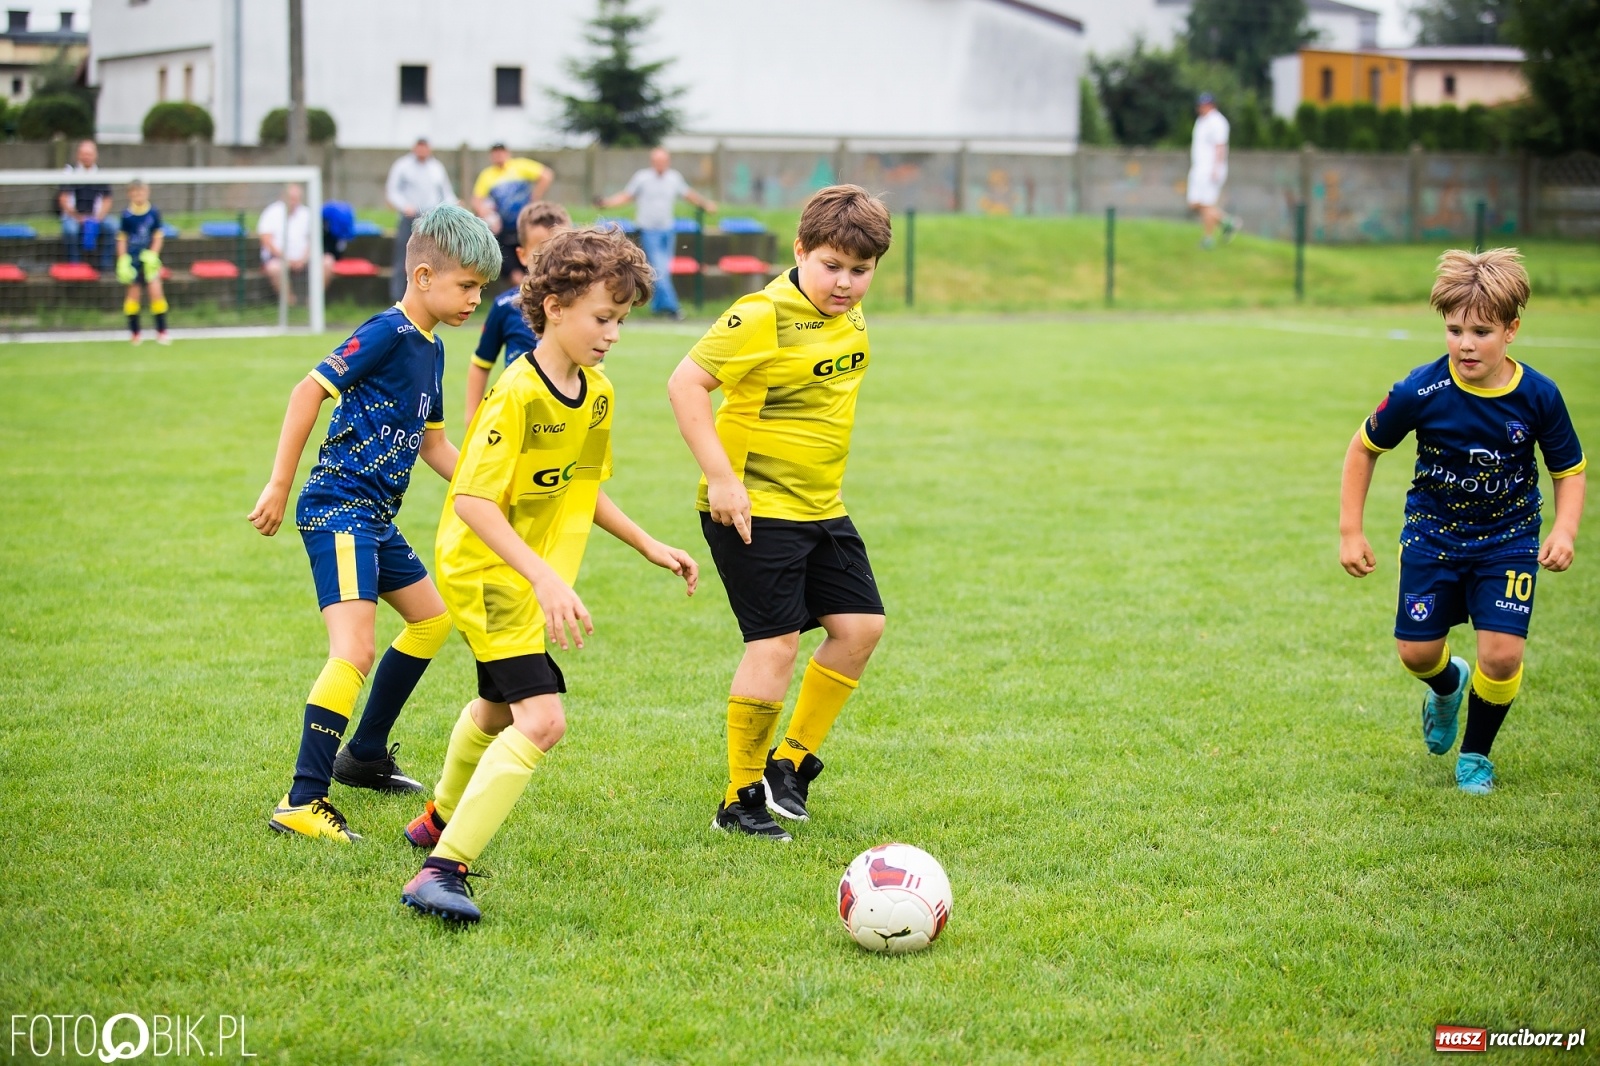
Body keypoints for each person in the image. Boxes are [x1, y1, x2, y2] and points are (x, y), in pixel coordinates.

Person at [400, 227, 698, 923]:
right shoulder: (516, 395)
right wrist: (542, 577)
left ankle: (435, 821)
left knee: (498, 709)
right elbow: (472, 501)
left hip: (523, 575)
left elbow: (582, 487)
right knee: (542, 720)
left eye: (620, 321)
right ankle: (439, 872)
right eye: (603, 318)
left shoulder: (597, 393)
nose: (613, 335)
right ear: (555, 307)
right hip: (488, 574)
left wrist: (646, 543)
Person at [247, 205, 502, 842]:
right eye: (467, 285)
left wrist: (491, 490)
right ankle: (302, 799)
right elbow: (308, 391)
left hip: (374, 517)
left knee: (431, 620)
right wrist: (278, 484)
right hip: (339, 507)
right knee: (354, 649)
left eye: (481, 288)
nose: (476, 299)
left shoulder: (432, 348)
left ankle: (362, 755)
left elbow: (433, 444)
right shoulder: (387, 332)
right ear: (423, 276)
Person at [666, 185, 892, 841]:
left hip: (821, 506)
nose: (845, 283)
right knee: (775, 644)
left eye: (860, 270)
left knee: (861, 627)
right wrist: (722, 479)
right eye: (831, 265)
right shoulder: (761, 314)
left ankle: (789, 764)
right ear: (799, 251)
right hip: (752, 506)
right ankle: (739, 802)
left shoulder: (850, 315)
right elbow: (685, 383)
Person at [1339, 248, 1586, 795]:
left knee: (1502, 655)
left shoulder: (1540, 396)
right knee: (1417, 653)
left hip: (1508, 540)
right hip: (1432, 537)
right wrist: (1350, 531)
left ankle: (1475, 756)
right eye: (1454, 330)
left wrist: (1564, 529)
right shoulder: (1419, 391)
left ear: (1511, 330)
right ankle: (1448, 686)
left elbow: (1568, 469)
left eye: (1481, 331)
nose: (1465, 344)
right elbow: (1363, 447)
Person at [465, 201, 571, 424]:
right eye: (541, 252)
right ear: (522, 255)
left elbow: (593, 373)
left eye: (560, 251)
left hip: (563, 422)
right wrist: (472, 419)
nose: (551, 262)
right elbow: (481, 363)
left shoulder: (578, 309)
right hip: (514, 420)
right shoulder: (505, 306)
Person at [596, 147, 718, 320]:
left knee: (663, 271)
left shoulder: (674, 178)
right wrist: (607, 203)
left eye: (663, 161)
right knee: (660, 270)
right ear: (652, 162)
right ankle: (673, 308)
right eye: (657, 161)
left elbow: (688, 195)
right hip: (649, 231)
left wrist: (705, 204)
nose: (660, 164)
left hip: (667, 231)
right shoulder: (642, 177)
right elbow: (627, 196)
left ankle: (658, 307)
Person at [472, 143, 554, 283]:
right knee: (512, 269)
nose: (499, 156)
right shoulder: (487, 175)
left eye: (501, 152)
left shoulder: (520, 166)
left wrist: (535, 197)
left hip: (524, 225)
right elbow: (476, 200)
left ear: (508, 153)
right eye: (495, 153)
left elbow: (546, 175)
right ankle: (522, 290)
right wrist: (486, 214)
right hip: (504, 230)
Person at [386, 137, 456, 301]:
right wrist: (404, 206)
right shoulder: (403, 166)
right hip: (410, 219)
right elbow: (392, 191)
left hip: (431, 221)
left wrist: (454, 205)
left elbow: (446, 193)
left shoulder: (436, 167)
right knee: (403, 259)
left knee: (432, 259)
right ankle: (398, 298)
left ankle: (428, 297)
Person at [258, 184, 334, 303]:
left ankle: (313, 302)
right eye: (291, 198)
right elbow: (266, 240)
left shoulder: (307, 214)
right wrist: (286, 258)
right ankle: (290, 303)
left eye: (296, 198)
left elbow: (313, 240)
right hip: (278, 258)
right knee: (274, 268)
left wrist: (303, 259)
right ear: (283, 197)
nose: (293, 202)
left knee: (327, 262)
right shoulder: (271, 213)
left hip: (304, 259)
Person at [115, 180, 169, 346]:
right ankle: (135, 334)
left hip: (149, 260)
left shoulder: (153, 213)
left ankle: (162, 332)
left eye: (141, 192)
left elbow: (158, 236)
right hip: (133, 260)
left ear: (147, 193)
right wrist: (123, 259)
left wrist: (153, 254)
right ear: (129, 194)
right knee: (133, 296)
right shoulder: (126, 215)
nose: (138, 195)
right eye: (135, 192)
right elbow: (122, 239)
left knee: (156, 293)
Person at [1187, 93, 1240, 249]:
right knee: (1195, 204)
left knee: (1207, 204)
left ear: (1212, 105)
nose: (1201, 107)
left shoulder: (1218, 122)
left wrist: (1216, 168)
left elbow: (1220, 146)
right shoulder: (1200, 121)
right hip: (1198, 167)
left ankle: (1208, 239)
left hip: (1210, 169)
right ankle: (1227, 222)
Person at [58, 139, 112, 268]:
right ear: (78, 155)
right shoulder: (70, 173)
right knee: (70, 230)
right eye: (84, 154)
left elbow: (107, 199)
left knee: (112, 227)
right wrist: (77, 217)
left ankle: (106, 266)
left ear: (95, 155)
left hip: (96, 217)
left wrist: (97, 217)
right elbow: (63, 198)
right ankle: (75, 266)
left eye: (89, 154)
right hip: (74, 217)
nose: (86, 157)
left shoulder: (101, 174)